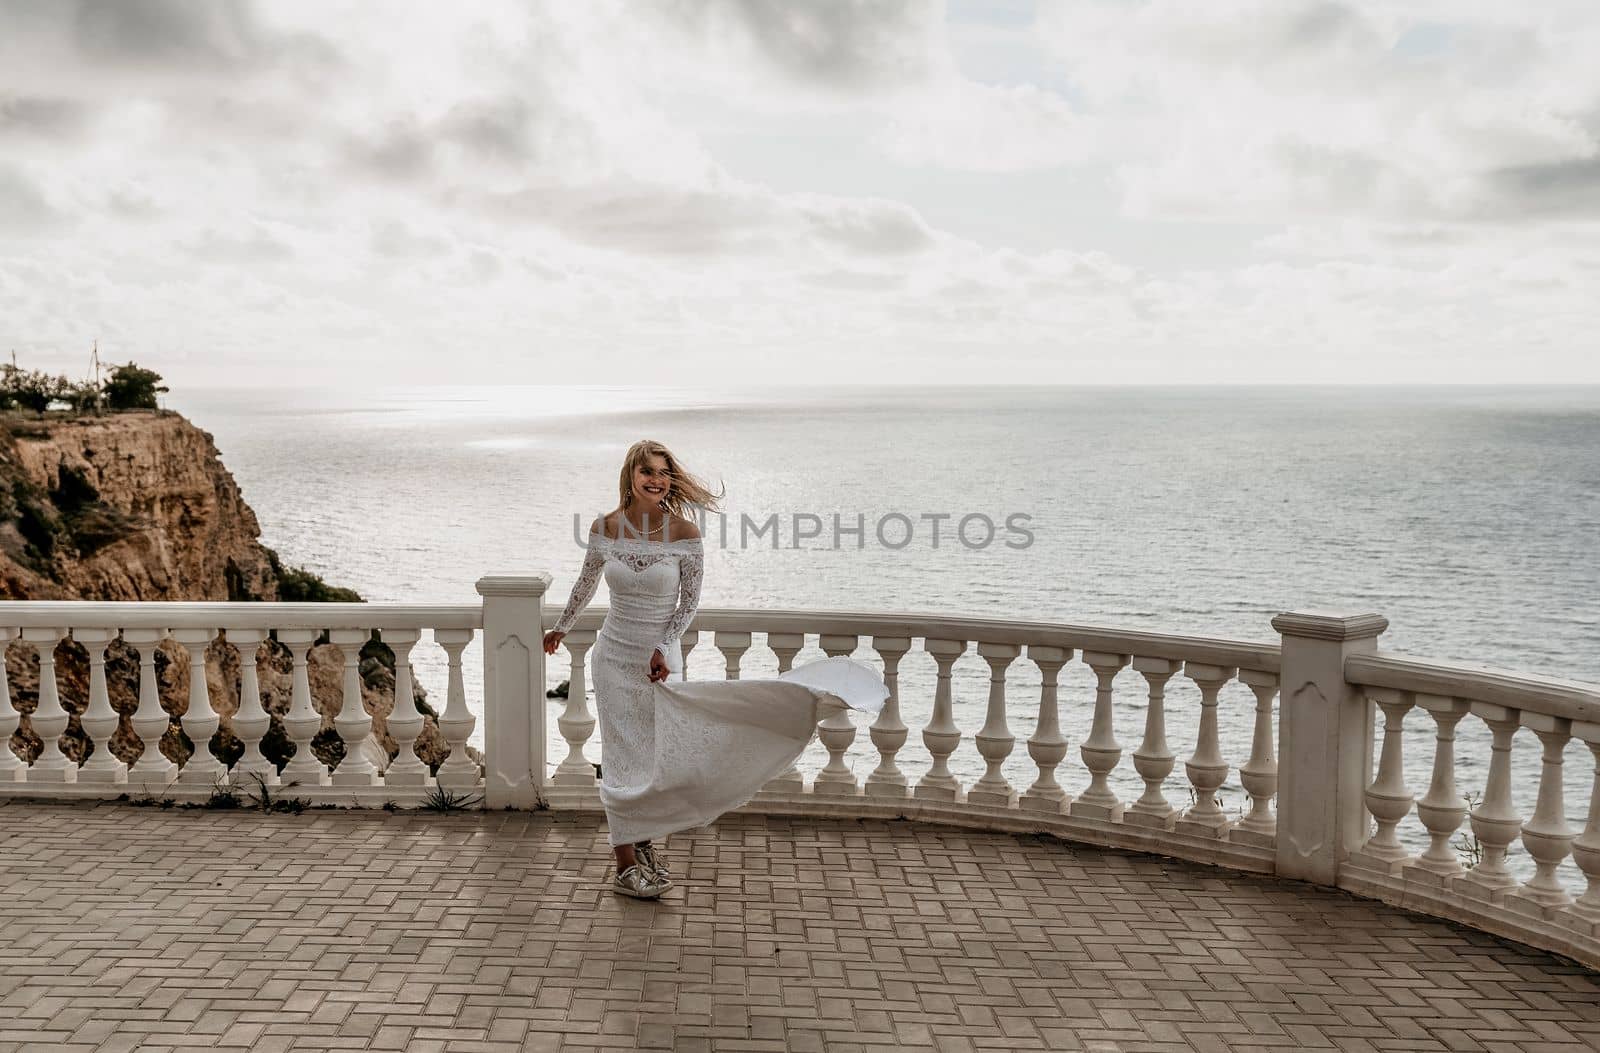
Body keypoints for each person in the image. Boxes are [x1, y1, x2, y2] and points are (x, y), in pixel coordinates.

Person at [543, 439, 888, 900]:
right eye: (647, 470)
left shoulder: (684, 533)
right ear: (630, 474)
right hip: (613, 657)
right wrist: (561, 628)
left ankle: (643, 838)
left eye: (663, 473)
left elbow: (689, 604)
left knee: (656, 757)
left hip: (658, 663)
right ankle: (624, 862)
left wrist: (665, 646)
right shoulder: (605, 527)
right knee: (622, 756)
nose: (655, 479)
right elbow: (585, 583)